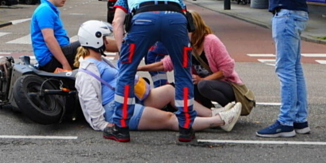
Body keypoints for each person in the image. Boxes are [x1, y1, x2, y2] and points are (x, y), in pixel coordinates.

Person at [74, 21, 240, 138]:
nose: (106, 41)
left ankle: (215, 112)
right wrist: (101, 125)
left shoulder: (101, 61)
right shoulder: (87, 69)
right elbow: (88, 99)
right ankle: (220, 121)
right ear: (94, 39)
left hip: (131, 98)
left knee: (170, 91)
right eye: (103, 38)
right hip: (116, 109)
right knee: (169, 118)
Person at [108, 0, 197, 143]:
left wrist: (122, 51)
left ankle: (120, 127)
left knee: (126, 72)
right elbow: (188, 19)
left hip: (144, 18)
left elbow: (117, 22)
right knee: (183, 73)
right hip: (175, 19)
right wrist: (186, 50)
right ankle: (186, 128)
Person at [256, 0, 311, 138]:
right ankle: (300, 120)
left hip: (287, 13)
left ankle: (286, 122)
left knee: (285, 69)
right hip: (293, 12)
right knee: (295, 68)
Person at [140, 10, 254, 117]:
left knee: (202, 84)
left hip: (227, 87)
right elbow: (165, 64)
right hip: (203, 85)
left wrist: (203, 79)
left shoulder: (210, 40)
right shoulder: (186, 44)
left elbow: (227, 69)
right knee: (185, 84)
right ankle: (209, 111)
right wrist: (137, 68)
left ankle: (230, 112)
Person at [31, 0, 80, 72]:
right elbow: (49, 39)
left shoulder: (49, 9)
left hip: (56, 54)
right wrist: (65, 64)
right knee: (91, 44)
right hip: (50, 58)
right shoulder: (45, 10)